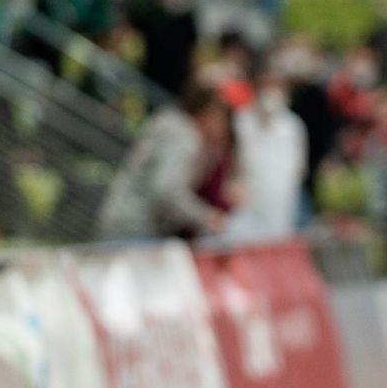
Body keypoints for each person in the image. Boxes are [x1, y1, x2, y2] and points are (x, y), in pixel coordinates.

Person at [98, 82, 234, 241]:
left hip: (123, 219)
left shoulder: (172, 124)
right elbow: (166, 190)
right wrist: (205, 216)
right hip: (137, 227)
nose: (224, 128)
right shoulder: (184, 138)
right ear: (209, 114)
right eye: (223, 119)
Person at [224, 47, 309, 243]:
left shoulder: (293, 126)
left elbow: (297, 170)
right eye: (267, 85)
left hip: (282, 207)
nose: (272, 92)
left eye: (278, 86)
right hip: (246, 207)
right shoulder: (240, 121)